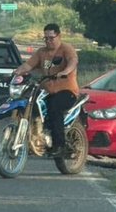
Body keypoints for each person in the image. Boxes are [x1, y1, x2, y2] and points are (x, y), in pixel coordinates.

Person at [13, 23, 79, 157]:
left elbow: (73, 61)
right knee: (29, 103)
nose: (48, 41)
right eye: (46, 38)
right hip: (47, 91)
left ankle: (59, 145)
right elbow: (28, 65)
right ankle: (34, 137)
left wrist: (65, 71)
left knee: (55, 108)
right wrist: (16, 72)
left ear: (59, 36)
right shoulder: (41, 52)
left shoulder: (66, 48)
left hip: (67, 91)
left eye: (51, 38)